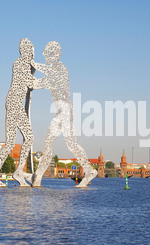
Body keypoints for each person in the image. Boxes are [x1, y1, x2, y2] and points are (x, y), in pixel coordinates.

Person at [30, 41, 97, 188]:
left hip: (64, 111)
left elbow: (47, 74)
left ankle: (88, 170)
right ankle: (39, 176)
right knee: (61, 143)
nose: (44, 54)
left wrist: (32, 63)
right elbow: (39, 84)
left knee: (62, 143)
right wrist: (29, 80)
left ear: (54, 54)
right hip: (62, 111)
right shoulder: (54, 72)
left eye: (47, 52)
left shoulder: (59, 68)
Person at [0, 38, 37, 187]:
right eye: (32, 51)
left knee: (10, 143)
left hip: (12, 104)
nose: (33, 54)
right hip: (15, 104)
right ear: (26, 51)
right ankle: (18, 172)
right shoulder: (21, 63)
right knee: (29, 138)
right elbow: (31, 83)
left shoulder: (21, 64)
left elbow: (29, 83)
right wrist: (49, 81)